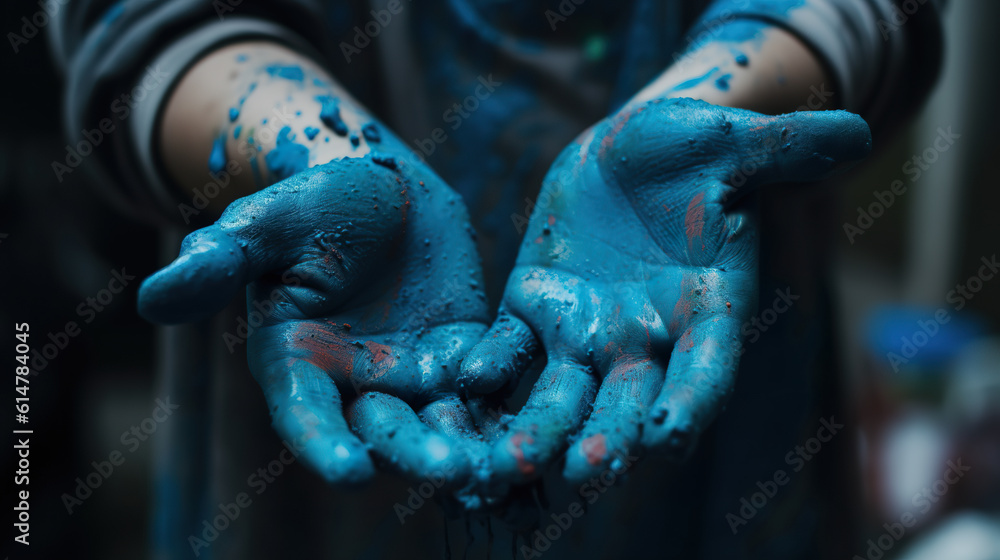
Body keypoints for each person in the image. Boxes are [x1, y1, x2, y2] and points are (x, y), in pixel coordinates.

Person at [52, 0, 944, 558]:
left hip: (705, 355)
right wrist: (309, 149)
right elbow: (137, 23)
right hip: (321, 398)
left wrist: (712, 109)